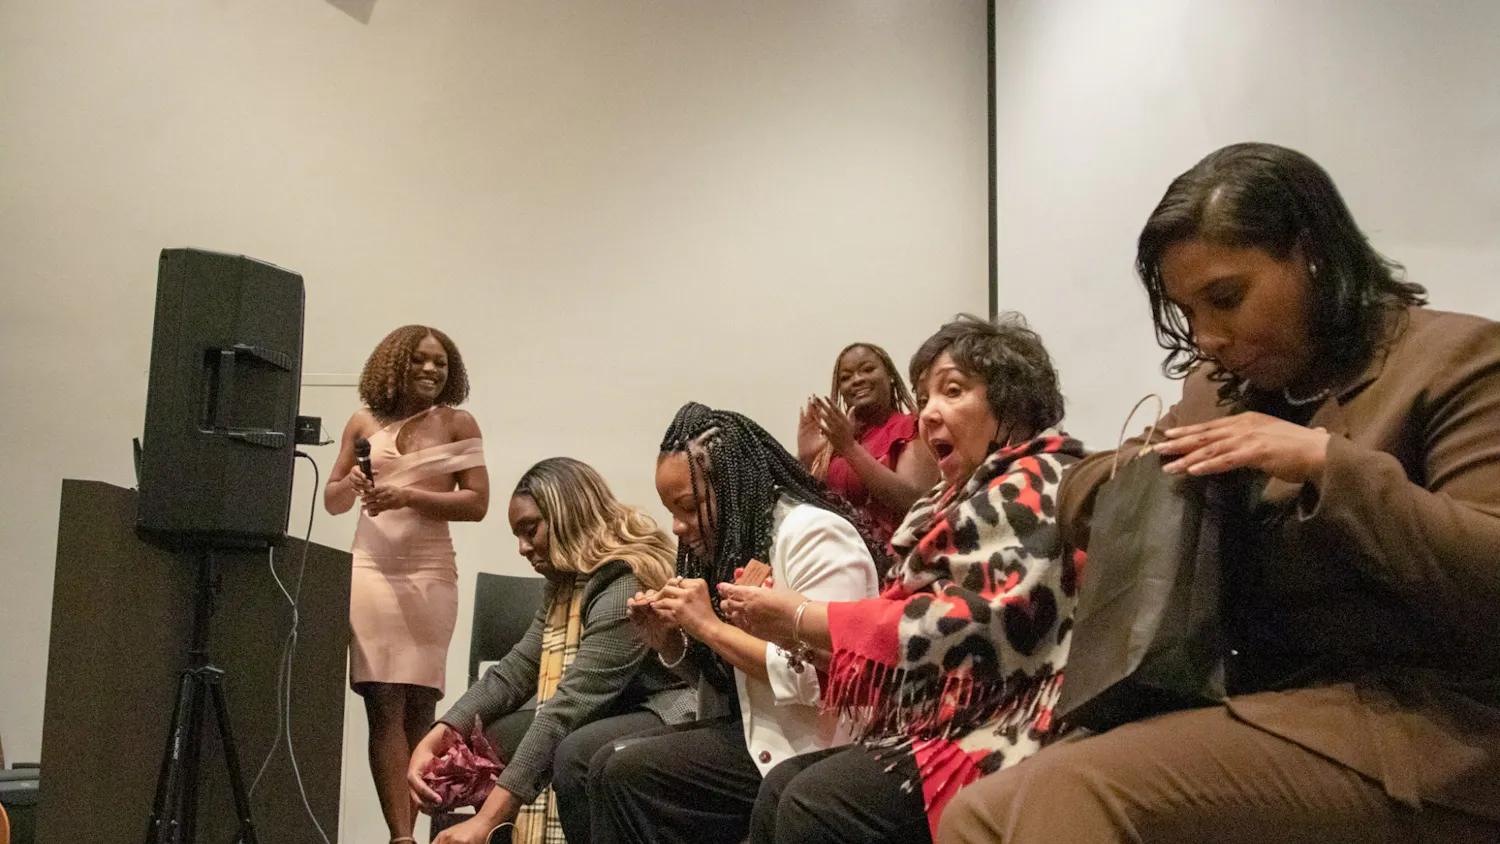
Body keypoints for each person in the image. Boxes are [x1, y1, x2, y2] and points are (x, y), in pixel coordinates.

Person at [938, 143, 1500, 843]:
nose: (1208, 337)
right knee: (977, 817)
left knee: (1076, 796)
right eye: (1188, 311)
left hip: (1422, 733)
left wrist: (1327, 463)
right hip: (1251, 703)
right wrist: (1148, 466)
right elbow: (1083, 492)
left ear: (1312, 255)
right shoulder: (1222, 393)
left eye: (1227, 299)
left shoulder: (1457, 361)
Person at [720, 314, 1088, 844]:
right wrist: (788, 625)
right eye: (924, 397)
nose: (928, 413)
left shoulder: (1035, 482)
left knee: (814, 802)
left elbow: (965, 626)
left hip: (1011, 722)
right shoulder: (956, 498)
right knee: (784, 785)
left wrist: (802, 617)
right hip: (947, 715)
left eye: (953, 391)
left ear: (1010, 405)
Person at [589, 402, 883, 844]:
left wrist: (707, 625)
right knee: (602, 762)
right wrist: (671, 642)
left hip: (818, 745)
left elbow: (827, 680)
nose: (677, 526)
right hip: (756, 732)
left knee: (626, 772)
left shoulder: (813, 534)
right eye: (670, 508)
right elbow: (727, 679)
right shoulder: (732, 540)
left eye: (687, 506)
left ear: (729, 486)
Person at [407, 458, 695, 844]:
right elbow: (517, 669)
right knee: (497, 736)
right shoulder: (564, 581)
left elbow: (571, 704)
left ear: (568, 516)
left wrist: (488, 819)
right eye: (517, 536)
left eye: (531, 530)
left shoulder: (625, 579)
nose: (524, 548)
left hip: (666, 711)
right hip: (615, 708)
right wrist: (441, 732)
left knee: (576, 752)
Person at [325, 325, 490, 844]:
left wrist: (408, 497)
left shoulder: (459, 423)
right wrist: (349, 484)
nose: (430, 370)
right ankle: (401, 838)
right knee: (383, 700)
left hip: (430, 571)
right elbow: (332, 499)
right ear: (394, 364)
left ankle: (413, 827)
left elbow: (478, 503)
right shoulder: (362, 422)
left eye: (440, 363)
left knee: (421, 703)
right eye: (420, 360)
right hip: (371, 569)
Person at [798, 343, 940, 549]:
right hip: (838, 558)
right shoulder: (836, 442)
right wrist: (808, 459)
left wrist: (849, 448)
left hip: (894, 564)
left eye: (867, 369)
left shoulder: (913, 426)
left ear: (890, 376)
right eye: (846, 377)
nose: (857, 380)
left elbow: (915, 500)